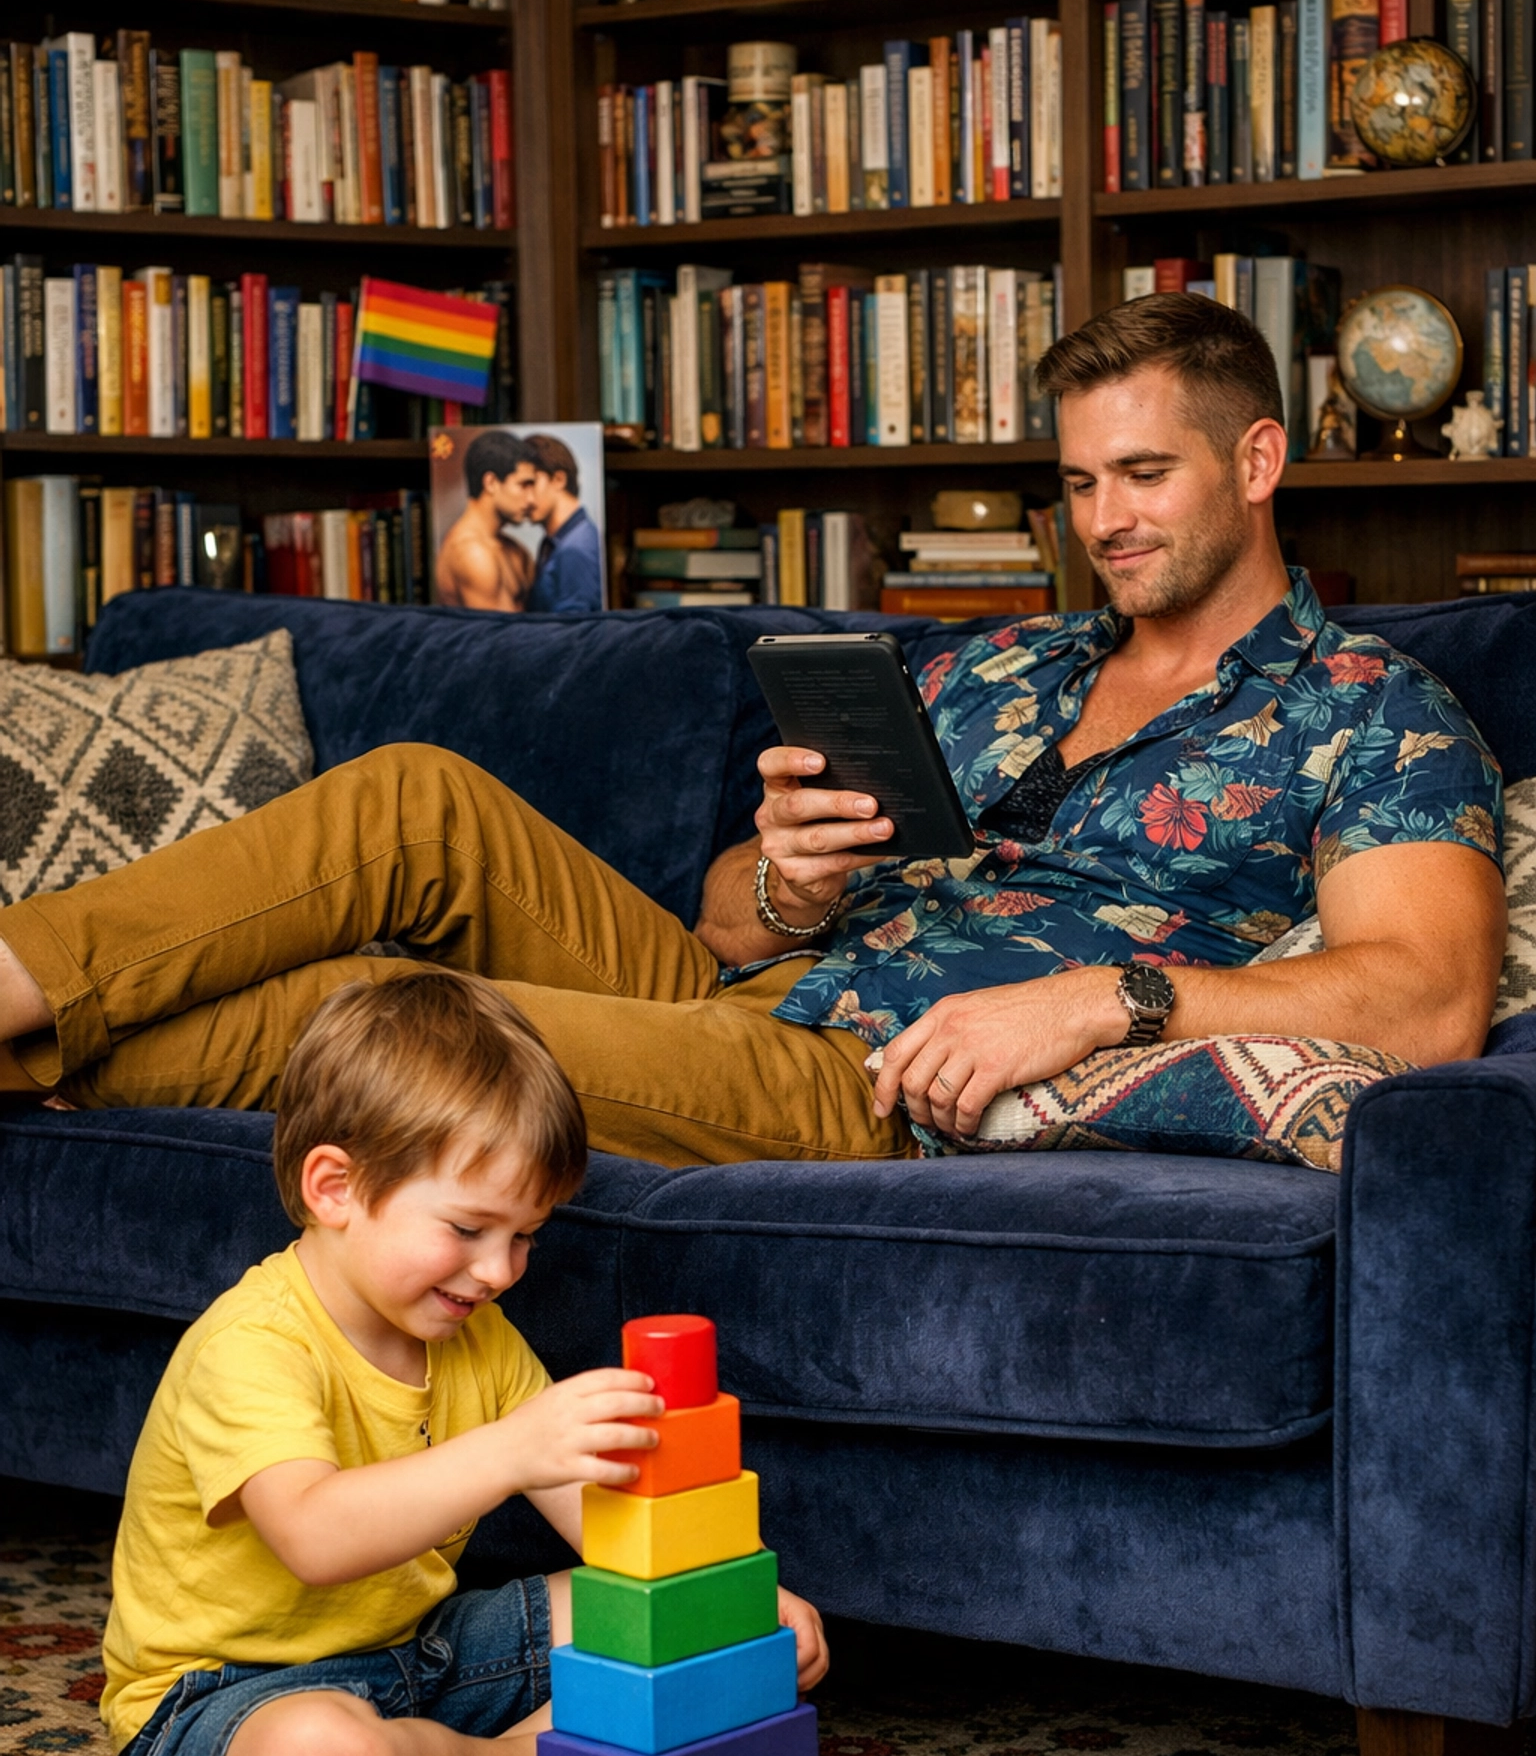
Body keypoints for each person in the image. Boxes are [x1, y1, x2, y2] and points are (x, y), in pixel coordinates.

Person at [0, 294, 1506, 1163]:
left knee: (392, 1012)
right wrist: (790, 875)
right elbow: (724, 926)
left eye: (1145, 475)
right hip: (758, 988)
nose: (1104, 521)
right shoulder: (994, 665)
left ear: (1257, 459)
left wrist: (1111, 1000)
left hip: (859, 1080)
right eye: (1080, 483)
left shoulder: (1370, 709)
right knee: (409, 798)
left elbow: (1429, 1001)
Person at [100, 970, 829, 1756]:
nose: (499, 1273)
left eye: (526, 1236)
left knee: (652, 1625)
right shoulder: (253, 1346)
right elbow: (315, 1536)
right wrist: (513, 1449)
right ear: (336, 1187)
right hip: (225, 1695)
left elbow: (609, 1533)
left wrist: (728, 1603)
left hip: (423, 1654)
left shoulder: (475, 1340)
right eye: (467, 1229)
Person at [433, 429, 537, 611]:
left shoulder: (514, 549)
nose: (531, 499)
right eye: (523, 485)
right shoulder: (471, 553)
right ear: (491, 483)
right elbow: (498, 637)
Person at [521, 434, 605, 613]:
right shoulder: (562, 540)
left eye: (530, 484)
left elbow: (572, 632)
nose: (524, 497)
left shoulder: (574, 548)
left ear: (559, 480)